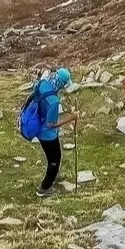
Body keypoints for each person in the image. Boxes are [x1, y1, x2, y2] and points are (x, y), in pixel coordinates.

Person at [34, 68, 76, 197]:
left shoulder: (43, 84)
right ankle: (44, 188)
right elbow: (51, 124)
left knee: (50, 156)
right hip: (48, 135)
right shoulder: (53, 101)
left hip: (38, 127)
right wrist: (71, 118)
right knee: (55, 159)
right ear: (62, 83)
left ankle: (55, 175)